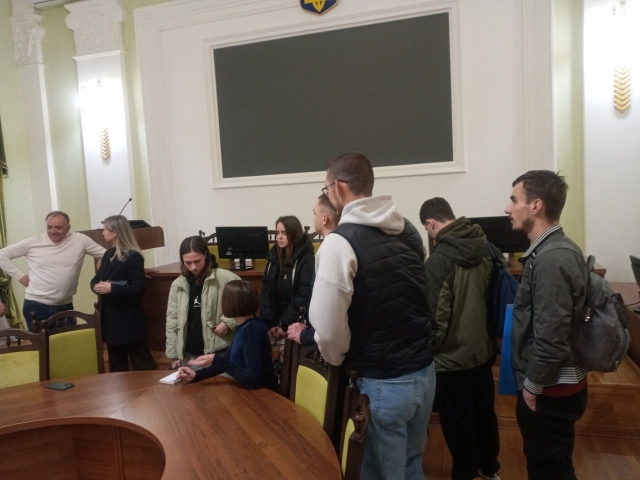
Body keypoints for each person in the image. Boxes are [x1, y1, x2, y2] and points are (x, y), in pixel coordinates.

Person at [310, 152, 435, 480]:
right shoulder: (408, 230)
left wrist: (337, 360)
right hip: (424, 373)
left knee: (382, 475)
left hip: (382, 382)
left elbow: (327, 331)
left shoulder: (338, 244)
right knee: (411, 466)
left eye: (326, 189)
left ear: (338, 187)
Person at [505, 170, 589, 480]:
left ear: (536, 205)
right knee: (556, 466)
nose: (508, 208)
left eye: (514, 200)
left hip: (551, 388)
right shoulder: (554, 250)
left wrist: (532, 386)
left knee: (549, 470)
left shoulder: (552, 259)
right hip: (553, 385)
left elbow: (551, 337)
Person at [419, 197, 501, 480]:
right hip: (483, 350)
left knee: (457, 422)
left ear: (431, 223)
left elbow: (436, 317)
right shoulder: (487, 246)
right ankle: (489, 468)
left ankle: (464, 474)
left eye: (427, 229)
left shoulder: (439, 260)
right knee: (484, 414)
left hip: (451, 358)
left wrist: (429, 350)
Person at [0, 211, 105, 330]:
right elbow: (1, 255)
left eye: (58, 227)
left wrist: (103, 264)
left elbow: (108, 255)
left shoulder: (80, 240)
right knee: (40, 342)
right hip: (36, 305)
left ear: (68, 228)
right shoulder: (34, 242)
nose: (53, 231)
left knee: (67, 341)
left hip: (65, 306)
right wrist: (20, 276)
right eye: (49, 227)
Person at [177, 280, 278, 390]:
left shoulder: (250, 329)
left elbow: (252, 380)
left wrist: (216, 360)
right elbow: (229, 361)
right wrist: (196, 375)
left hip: (263, 393)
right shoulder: (246, 324)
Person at [90, 215, 155, 372]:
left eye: (105, 230)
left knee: (141, 363)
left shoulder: (133, 256)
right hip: (111, 319)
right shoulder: (108, 254)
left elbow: (139, 287)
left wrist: (112, 288)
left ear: (115, 233)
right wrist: (96, 286)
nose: (102, 233)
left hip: (129, 319)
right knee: (116, 366)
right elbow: (97, 278)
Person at [166, 236, 240, 369]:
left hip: (221, 352)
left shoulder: (227, 278)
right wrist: (174, 355)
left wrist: (228, 322)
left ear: (206, 255)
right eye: (188, 262)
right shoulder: (177, 284)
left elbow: (245, 306)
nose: (193, 267)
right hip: (190, 354)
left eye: (197, 261)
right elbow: (172, 320)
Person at [287, 194, 338, 345]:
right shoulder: (335, 243)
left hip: (326, 339)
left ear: (324, 218)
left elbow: (330, 308)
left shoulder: (331, 248)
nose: (313, 218)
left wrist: (307, 335)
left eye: (314, 213)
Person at [261, 215, 315, 339]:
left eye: (284, 233)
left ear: (294, 234)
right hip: (274, 322)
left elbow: (303, 296)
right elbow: (266, 291)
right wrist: (271, 323)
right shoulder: (273, 257)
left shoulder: (307, 259)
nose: (279, 237)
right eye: (277, 233)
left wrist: (285, 325)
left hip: (295, 325)